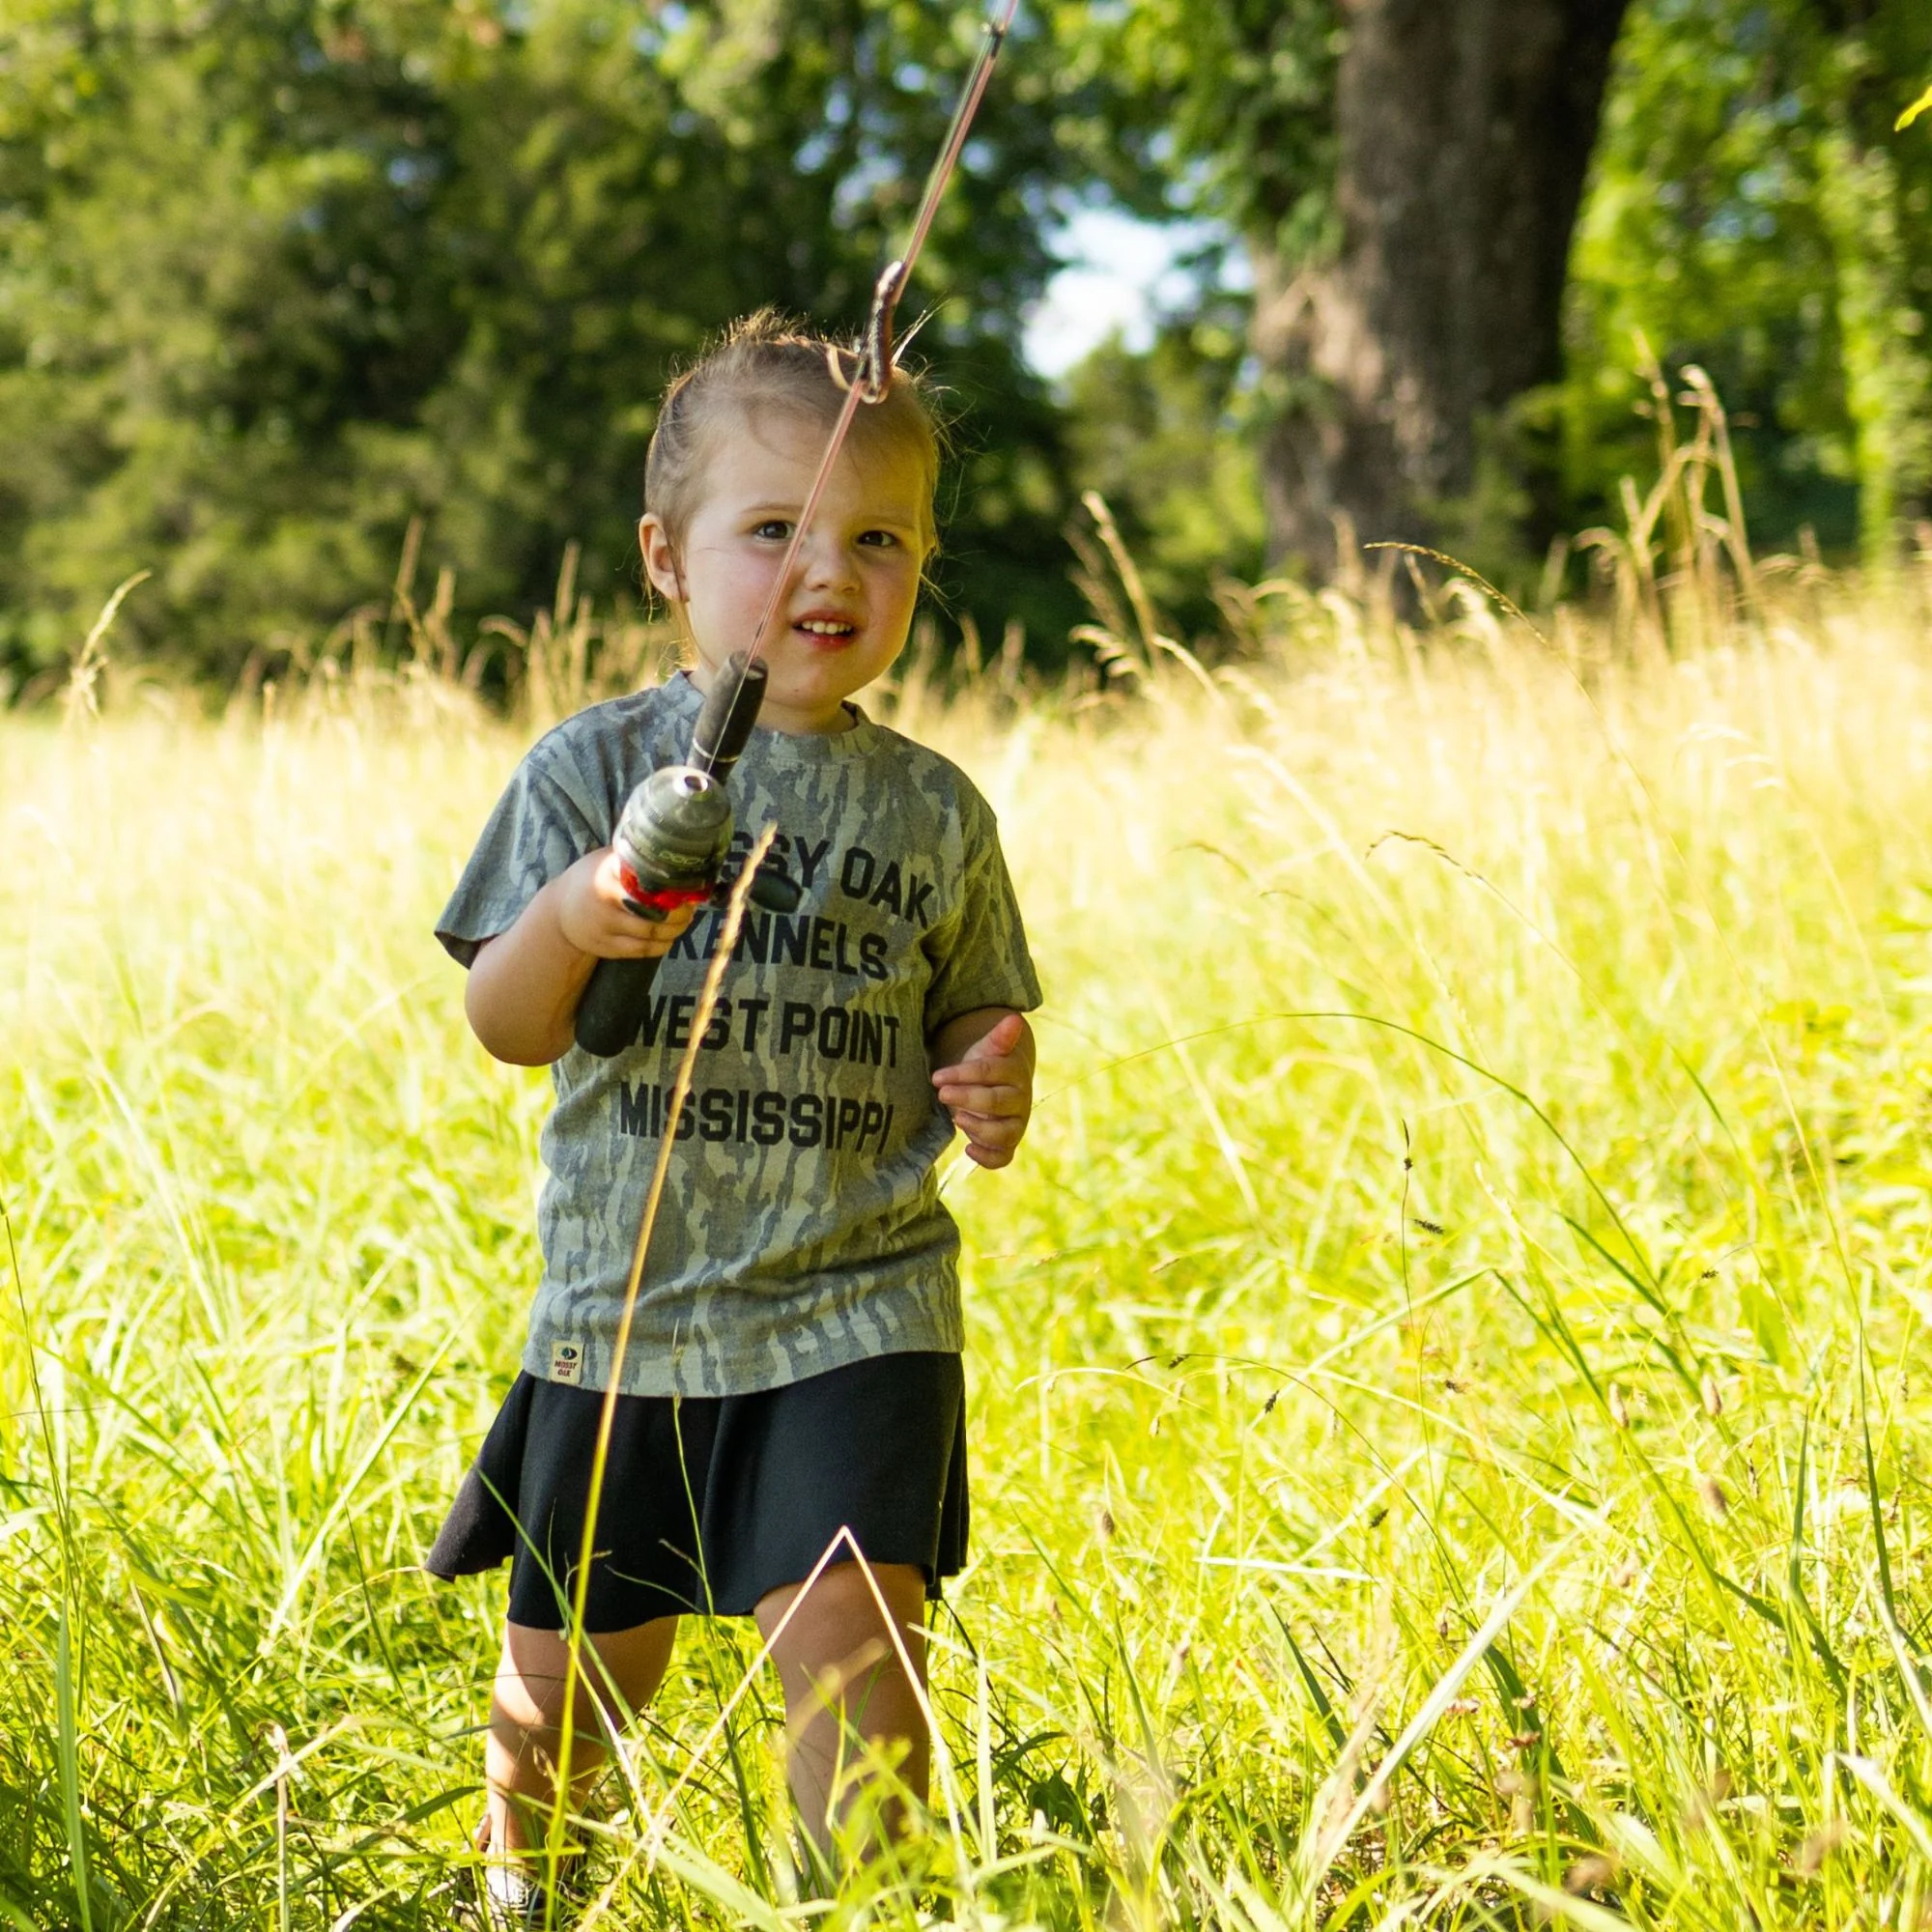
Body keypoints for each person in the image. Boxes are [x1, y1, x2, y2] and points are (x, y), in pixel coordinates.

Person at [424, 311, 1040, 1923]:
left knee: (857, 1648)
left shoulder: (934, 809)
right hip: (630, 1316)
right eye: (774, 530)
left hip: (859, 1304)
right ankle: (526, 1903)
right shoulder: (594, 767)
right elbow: (504, 1018)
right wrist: (581, 914)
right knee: (566, 1710)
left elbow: (974, 1001)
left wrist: (993, 1065)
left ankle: (873, 1905)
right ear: (666, 560)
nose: (828, 571)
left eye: (878, 538)